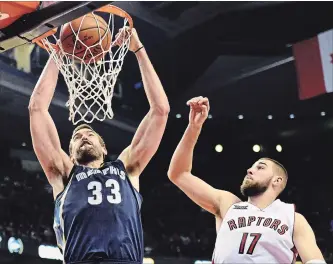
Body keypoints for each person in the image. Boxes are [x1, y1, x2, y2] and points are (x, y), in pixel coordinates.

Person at [29, 28, 169, 264]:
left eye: (90, 134)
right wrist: (58, 54)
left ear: (104, 148)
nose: (83, 136)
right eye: (76, 137)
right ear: (71, 155)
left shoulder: (128, 168)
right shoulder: (64, 174)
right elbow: (37, 109)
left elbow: (160, 111)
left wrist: (138, 49)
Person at [168, 96, 326, 264]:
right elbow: (178, 174)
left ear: (277, 180)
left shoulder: (294, 219)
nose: (250, 170)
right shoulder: (228, 204)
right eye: (252, 167)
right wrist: (194, 127)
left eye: (261, 167)